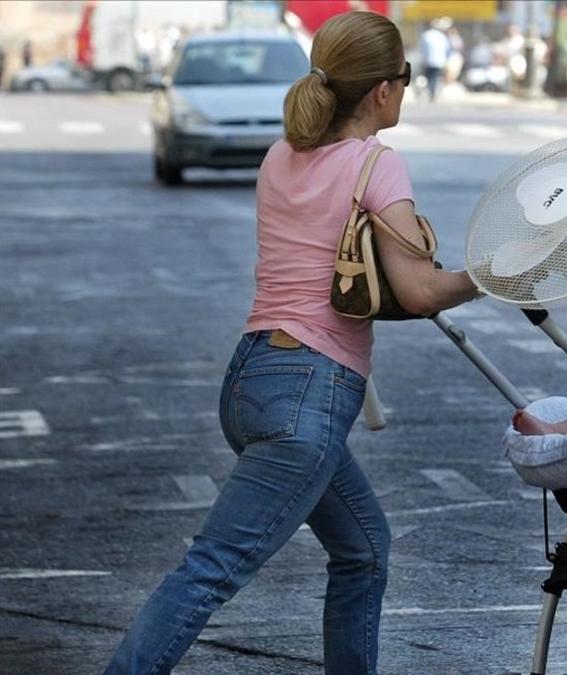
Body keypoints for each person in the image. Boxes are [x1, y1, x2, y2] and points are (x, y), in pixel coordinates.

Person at [104, 11, 479, 675]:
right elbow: (418, 292)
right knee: (210, 570)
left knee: (364, 548)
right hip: (310, 397)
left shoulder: (283, 155)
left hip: (251, 380)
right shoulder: (376, 165)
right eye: (405, 78)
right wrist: (492, 276)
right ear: (384, 92)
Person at [419, 17, 452, 101]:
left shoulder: (426, 35)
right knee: (435, 77)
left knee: (429, 77)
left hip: (428, 60)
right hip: (439, 61)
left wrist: (423, 59)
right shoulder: (442, 36)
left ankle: (431, 92)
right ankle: (432, 92)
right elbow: (447, 49)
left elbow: (423, 49)